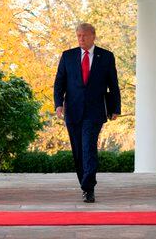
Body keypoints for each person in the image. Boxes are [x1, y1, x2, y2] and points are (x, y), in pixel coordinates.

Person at [54, 23, 121, 203]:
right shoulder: (67, 56)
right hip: (73, 111)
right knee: (78, 150)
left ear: (93, 36)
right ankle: (84, 183)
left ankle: (88, 187)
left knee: (89, 147)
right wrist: (58, 104)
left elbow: (113, 84)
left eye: (84, 35)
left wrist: (115, 108)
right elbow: (59, 82)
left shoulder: (106, 57)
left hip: (94, 111)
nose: (81, 39)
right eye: (78, 36)